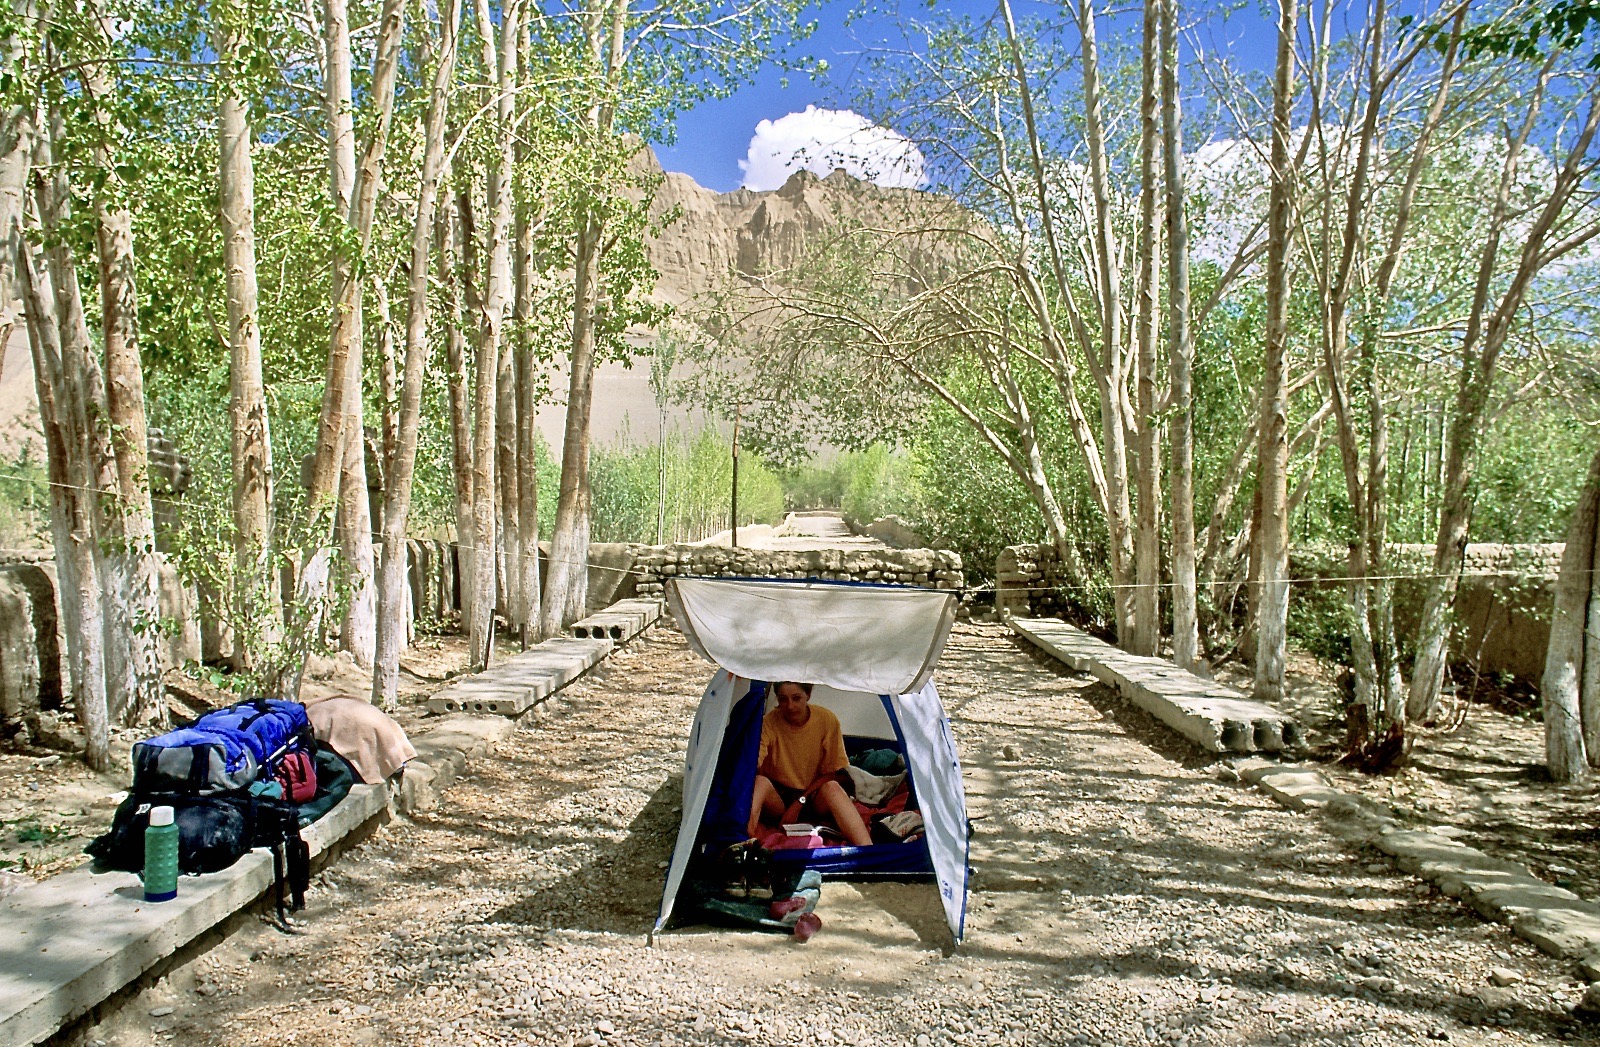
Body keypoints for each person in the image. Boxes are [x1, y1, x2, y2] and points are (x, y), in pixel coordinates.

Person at [748, 681, 873, 846]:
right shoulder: (769, 723)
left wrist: (800, 801)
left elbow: (832, 772)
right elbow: (752, 765)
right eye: (783, 699)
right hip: (779, 797)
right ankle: (745, 843)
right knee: (760, 783)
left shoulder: (826, 720)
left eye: (796, 698)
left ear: (808, 695)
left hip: (812, 794)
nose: (790, 706)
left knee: (833, 788)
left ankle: (867, 849)